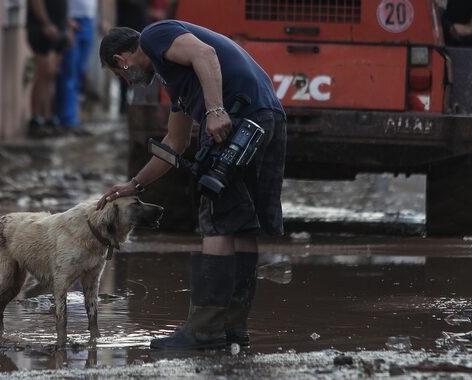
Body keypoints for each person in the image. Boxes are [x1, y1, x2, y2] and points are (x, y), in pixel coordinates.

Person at [97, 21, 287, 350]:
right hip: (266, 119)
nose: (128, 81)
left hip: (241, 120)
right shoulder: (178, 81)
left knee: (215, 224)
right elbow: (177, 141)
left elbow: (205, 53)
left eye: (121, 76)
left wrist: (215, 110)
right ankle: (233, 329)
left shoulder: (154, 36)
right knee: (241, 226)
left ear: (121, 60)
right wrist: (134, 185)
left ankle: (204, 332)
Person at [26, 0, 69, 137]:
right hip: (42, 28)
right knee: (44, 72)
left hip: (59, 26)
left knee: (52, 75)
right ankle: (37, 115)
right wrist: (45, 23)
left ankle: (48, 115)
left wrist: (68, 27)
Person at [56, 0, 97, 132]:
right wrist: (66, 23)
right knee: (70, 71)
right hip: (73, 20)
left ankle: (75, 115)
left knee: (80, 72)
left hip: (89, 19)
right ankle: (67, 118)